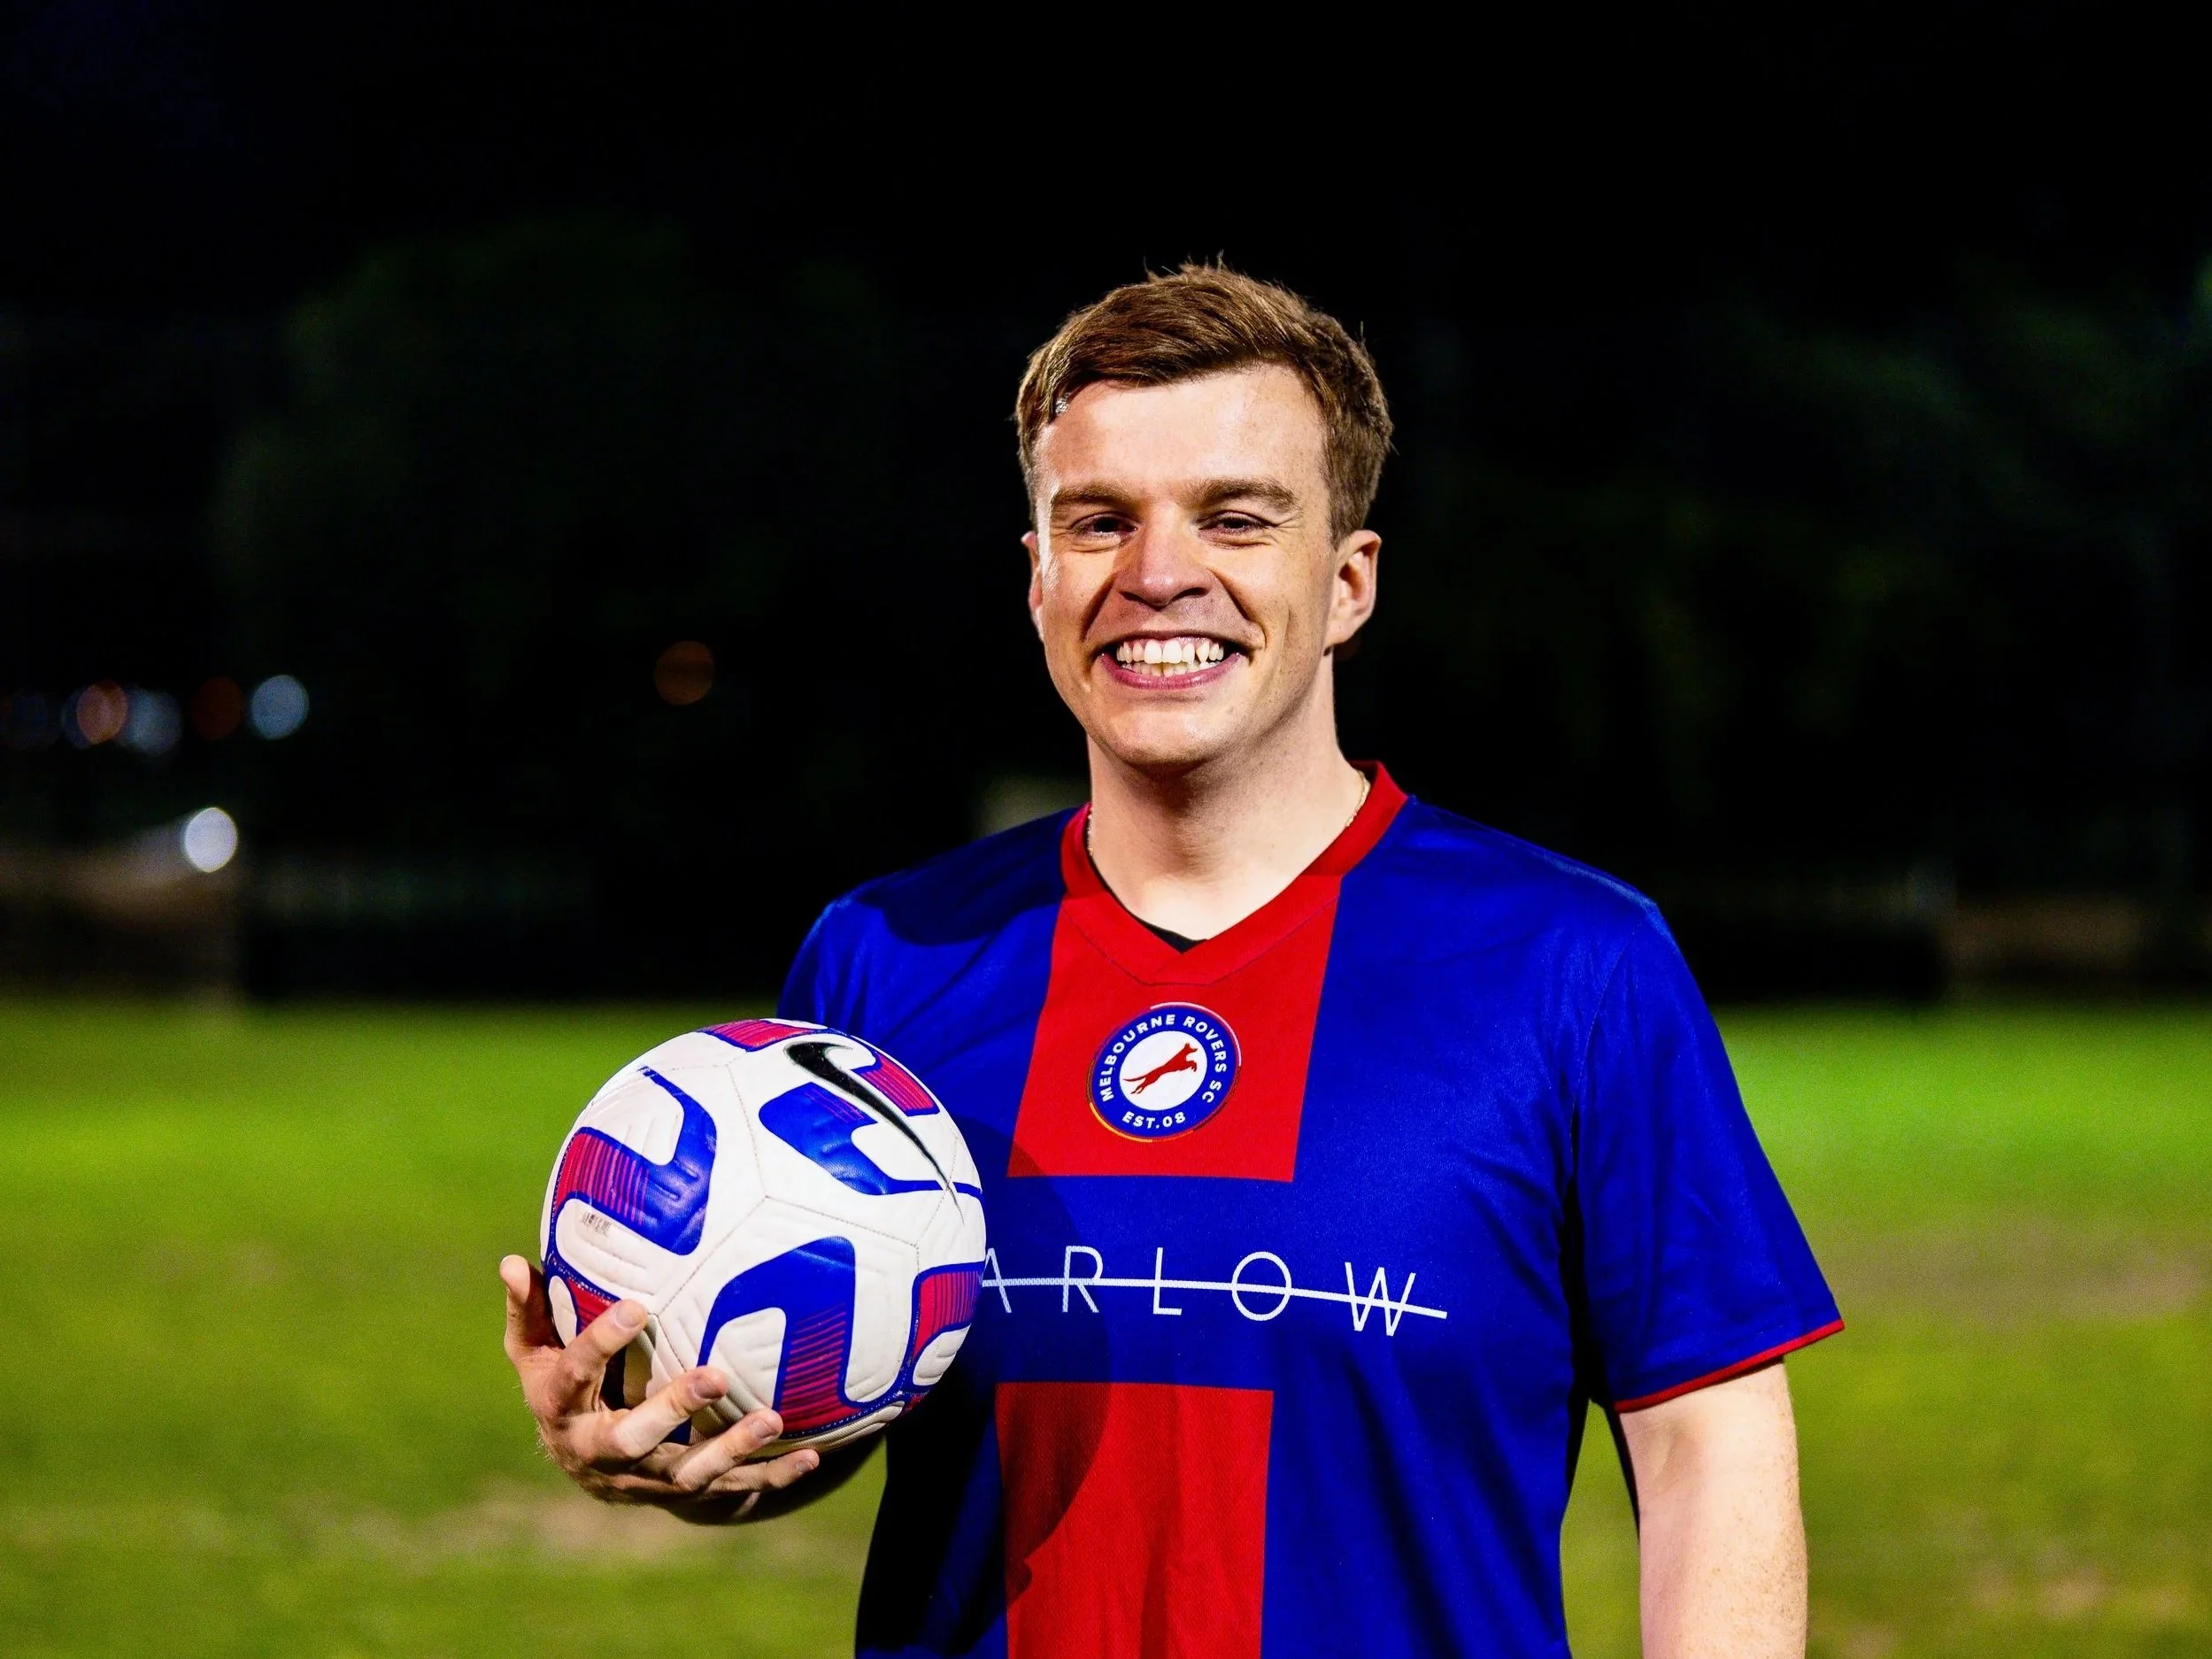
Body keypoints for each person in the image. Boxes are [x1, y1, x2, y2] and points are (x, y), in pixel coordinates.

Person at [502, 266, 1840, 1657]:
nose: (1156, 573)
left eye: (1234, 517)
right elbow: (843, 1407)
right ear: (1036, 580)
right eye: (1099, 520)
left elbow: (1705, 1440)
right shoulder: (886, 961)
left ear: (1344, 582)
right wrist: (668, 1439)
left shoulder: (1573, 965)